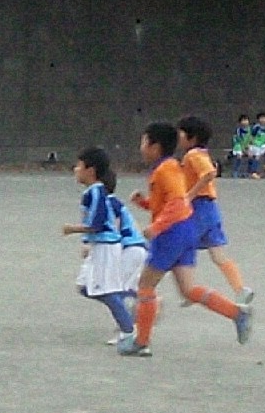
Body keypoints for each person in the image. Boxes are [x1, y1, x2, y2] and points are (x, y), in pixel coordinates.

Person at [117, 121, 251, 357]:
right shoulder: (170, 167)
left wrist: (156, 227)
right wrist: (144, 203)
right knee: (188, 289)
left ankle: (141, 341)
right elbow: (169, 203)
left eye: (144, 142)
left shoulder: (166, 170)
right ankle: (236, 313)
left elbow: (177, 203)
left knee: (145, 286)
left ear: (155, 146)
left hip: (171, 234)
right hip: (186, 231)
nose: (141, 147)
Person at [177, 115, 254, 305]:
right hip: (210, 209)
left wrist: (189, 195)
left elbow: (209, 173)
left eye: (181, 134)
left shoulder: (193, 155)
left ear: (192, 138)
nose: (178, 137)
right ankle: (240, 289)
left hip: (199, 209)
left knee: (181, 247)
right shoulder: (201, 153)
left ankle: (190, 289)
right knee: (218, 254)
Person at [62, 147, 133, 345]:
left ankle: (129, 331)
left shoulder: (97, 192)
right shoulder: (92, 193)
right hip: (98, 246)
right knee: (85, 287)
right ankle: (123, 305)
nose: (75, 170)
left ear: (90, 170)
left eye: (79, 166)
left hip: (106, 246)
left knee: (105, 291)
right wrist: (86, 242)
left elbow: (97, 224)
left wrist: (73, 229)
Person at [106, 172, 147, 343]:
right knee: (124, 288)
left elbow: (114, 230)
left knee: (115, 291)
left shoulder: (108, 203)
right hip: (137, 247)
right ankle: (147, 301)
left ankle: (126, 330)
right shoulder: (114, 202)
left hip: (131, 249)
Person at [247, 111, 265, 179]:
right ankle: (253, 172)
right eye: (261, 118)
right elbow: (251, 136)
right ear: (258, 119)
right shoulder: (256, 127)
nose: (263, 120)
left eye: (264, 118)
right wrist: (249, 145)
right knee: (257, 157)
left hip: (262, 144)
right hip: (255, 144)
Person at [230, 114, 252, 178]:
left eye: (246, 120)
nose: (245, 122)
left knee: (251, 155)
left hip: (247, 147)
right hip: (238, 147)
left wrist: (248, 147)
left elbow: (252, 139)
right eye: (243, 120)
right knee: (239, 156)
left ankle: (248, 172)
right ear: (240, 122)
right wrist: (242, 149)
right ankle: (235, 171)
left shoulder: (251, 130)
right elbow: (235, 140)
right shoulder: (238, 131)